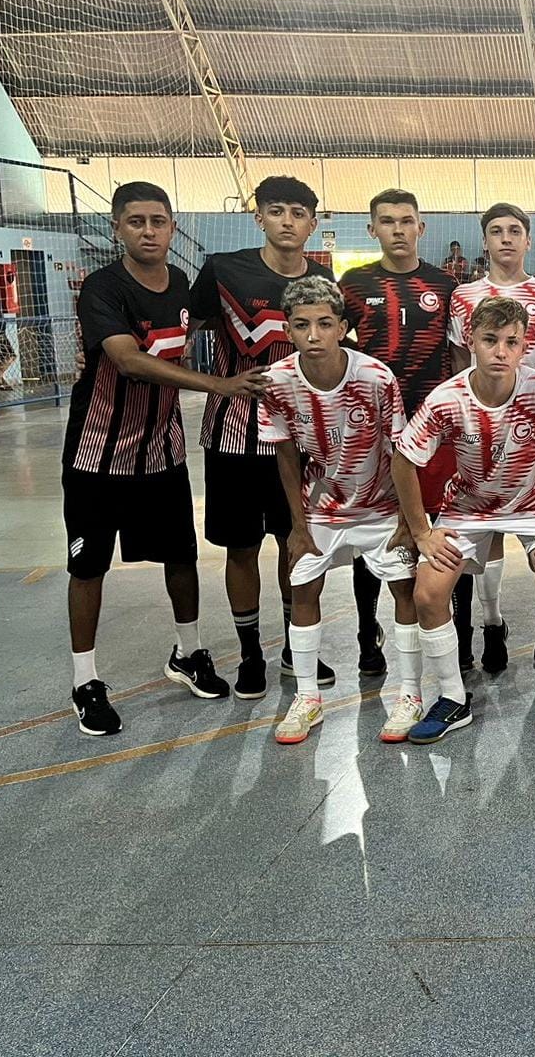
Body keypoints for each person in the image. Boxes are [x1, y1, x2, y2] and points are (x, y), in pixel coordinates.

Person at [63, 182, 267, 735]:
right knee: (88, 568)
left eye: (158, 221)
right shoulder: (102, 288)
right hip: (98, 454)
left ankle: (188, 653)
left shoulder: (181, 282)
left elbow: (218, 325)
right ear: (117, 228)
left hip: (163, 451)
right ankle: (85, 682)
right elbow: (127, 361)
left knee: (181, 558)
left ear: (172, 226)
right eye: (136, 222)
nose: (148, 231)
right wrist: (219, 384)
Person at [393, 296, 535, 744]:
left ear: (525, 345)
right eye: (490, 340)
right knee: (427, 595)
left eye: (511, 342)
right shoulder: (448, 397)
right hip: (467, 509)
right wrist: (422, 531)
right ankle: (452, 699)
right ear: (471, 342)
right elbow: (404, 460)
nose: (500, 351)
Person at [190, 175, 335, 701]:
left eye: (299, 212)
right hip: (232, 436)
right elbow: (188, 325)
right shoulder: (222, 270)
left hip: (298, 442)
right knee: (241, 548)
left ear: (312, 223)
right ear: (259, 217)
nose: (288, 221)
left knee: (294, 543)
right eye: (277, 211)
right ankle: (251, 653)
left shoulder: (323, 279)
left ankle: (299, 650)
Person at [258, 277, 419, 746]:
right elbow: (286, 456)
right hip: (321, 509)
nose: (313, 335)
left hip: (381, 506)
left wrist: (409, 521)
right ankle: (307, 696)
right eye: (302, 325)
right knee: (302, 588)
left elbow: (400, 452)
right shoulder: (279, 381)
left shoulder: (375, 377)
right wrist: (298, 526)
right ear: (288, 329)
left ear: (342, 328)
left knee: (403, 593)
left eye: (325, 324)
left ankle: (409, 693)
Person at [448, 202, 535, 673]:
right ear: (485, 240)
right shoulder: (464, 296)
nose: (505, 238)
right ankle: (491, 622)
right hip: (480, 433)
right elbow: (460, 362)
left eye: (515, 231)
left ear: (527, 240)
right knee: (489, 528)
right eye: (496, 231)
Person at [339, 189, 456, 682]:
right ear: (373, 230)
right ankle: (368, 631)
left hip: (432, 425)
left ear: (420, 228)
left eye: (407, 221)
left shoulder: (445, 285)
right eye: (387, 222)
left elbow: (457, 355)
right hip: (372, 429)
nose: (398, 229)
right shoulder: (352, 284)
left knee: (444, 525)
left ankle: (459, 630)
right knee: (375, 529)